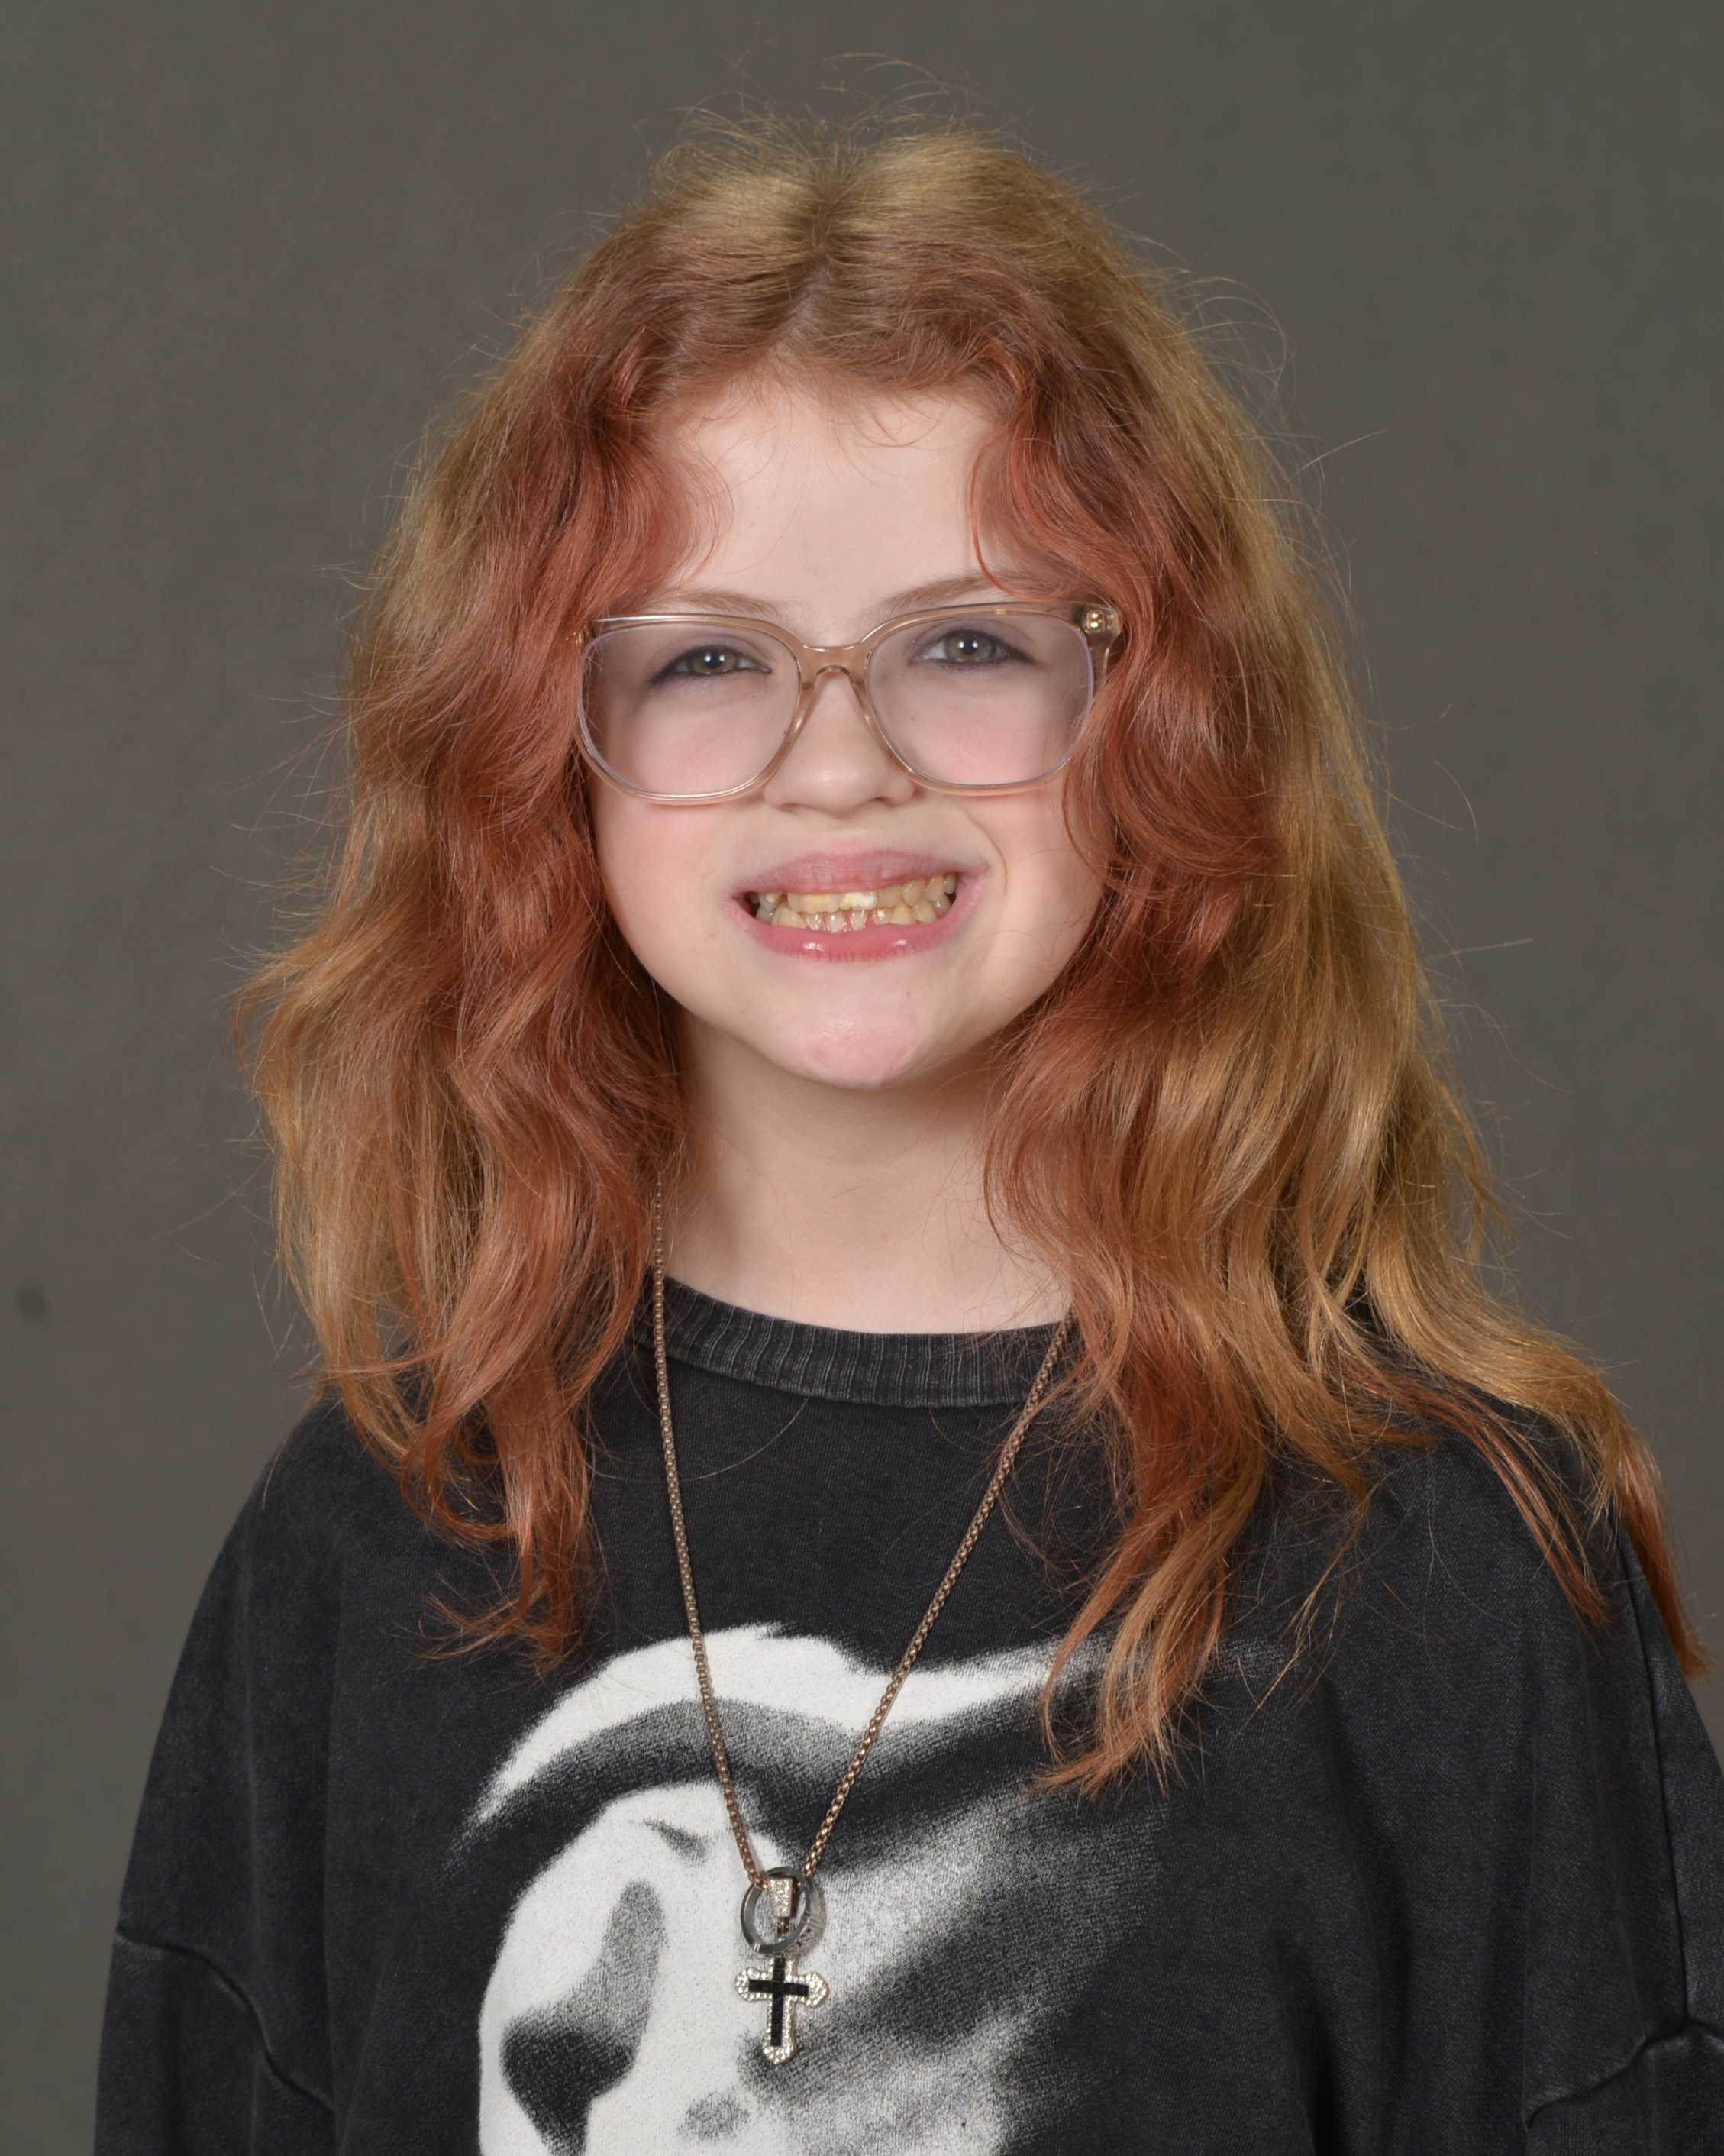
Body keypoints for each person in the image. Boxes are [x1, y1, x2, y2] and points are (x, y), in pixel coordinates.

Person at [95, 112, 1724, 2154]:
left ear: (1155, 718)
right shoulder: (370, 1537)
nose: (840, 762)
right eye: (707, 657)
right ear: (543, 756)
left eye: (967, 643)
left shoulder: (1447, 1569)